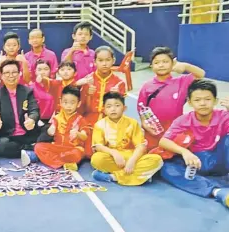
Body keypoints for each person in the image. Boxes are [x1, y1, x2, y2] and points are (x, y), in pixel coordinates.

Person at [158, 80, 229, 209]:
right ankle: (217, 191)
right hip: (197, 162)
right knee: (166, 168)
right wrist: (185, 152)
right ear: (190, 102)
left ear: (215, 101)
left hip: (221, 159)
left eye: (207, 99)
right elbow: (163, 141)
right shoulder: (183, 120)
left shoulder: (224, 116)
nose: (202, 103)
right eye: (197, 100)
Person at [138, 47, 205, 150]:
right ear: (151, 66)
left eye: (165, 62)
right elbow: (141, 108)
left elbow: (201, 74)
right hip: (154, 130)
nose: (161, 65)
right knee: (152, 155)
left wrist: (185, 66)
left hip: (174, 129)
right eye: (156, 62)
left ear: (172, 64)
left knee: (174, 155)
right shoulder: (147, 86)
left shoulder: (182, 82)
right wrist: (144, 123)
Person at [90, 92, 163, 186]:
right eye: (109, 106)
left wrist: (132, 161)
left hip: (131, 156)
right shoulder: (99, 124)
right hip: (112, 157)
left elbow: (140, 146)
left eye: (117, 105)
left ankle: (114, 177)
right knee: (97, 159)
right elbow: (98, 146)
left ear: (124, 108)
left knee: (156, 160)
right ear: (104, 110)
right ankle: (140, 175)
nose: (113, 109)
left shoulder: (133, 123)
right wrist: (114, 153)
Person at [0, 60, 40, 158]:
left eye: (14, 72)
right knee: (1, 146)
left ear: (19, 74)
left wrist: (32, 119)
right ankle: (31, 149)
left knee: (48, 132)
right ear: (2, 76)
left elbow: (34, 109)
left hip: (27, 133)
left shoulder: (27, 91)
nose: (11, 76)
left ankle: (28, 150)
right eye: (7, 73)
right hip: (9, 136)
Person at [81, 46, 126, 157]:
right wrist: (87, 94)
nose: (104, 64)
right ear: (95, 62)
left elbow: (121, 111)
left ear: (113, 61)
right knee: (88, 153)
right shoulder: (87, 80)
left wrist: (117, 97)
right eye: (100, 60)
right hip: (90, 122)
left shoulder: (119, 83)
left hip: (111, 122)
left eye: (107, 60)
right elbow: (81, 108)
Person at [31, 86, 90, 169]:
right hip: (57, 147)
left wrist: (78, 134)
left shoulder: (81, 119)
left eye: (72, 103)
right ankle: (64, 163)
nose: (68, 106)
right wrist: (50, 131)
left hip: (72, 149)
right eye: (65, 102)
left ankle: (52, 159)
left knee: (76, 154)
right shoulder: (57, 117)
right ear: (60, 102)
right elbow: (50, 131)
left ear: (78, 104)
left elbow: (85, 137)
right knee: (38, 147)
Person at [30, 59, 55, 124]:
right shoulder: (30, 88)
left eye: (46, 69)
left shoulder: (56, 85)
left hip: (53, 120)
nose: (42, 72)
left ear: (50, 71)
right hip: (37, 121)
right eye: (39, 69)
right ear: (35, 71)